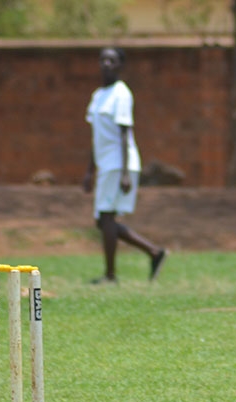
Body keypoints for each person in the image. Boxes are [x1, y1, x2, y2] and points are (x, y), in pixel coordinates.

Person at [83, 46, 166, 284]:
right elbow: (95, 137)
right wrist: (89, 171)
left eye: (112, 60)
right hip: (105, 164)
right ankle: (154, 252)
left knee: (106, 219)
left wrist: (126, 172)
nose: (106, 64)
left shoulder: (122, 94)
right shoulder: (98, 96)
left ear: (121, 65)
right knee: (103, 220)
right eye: (103, 60)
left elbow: (124, 134)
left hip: (119, 164)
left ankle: (110, 276)